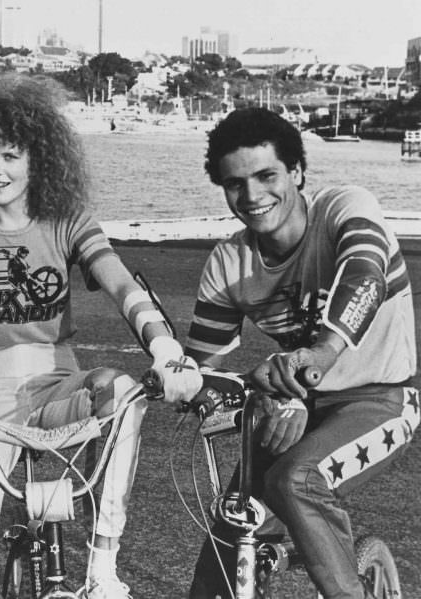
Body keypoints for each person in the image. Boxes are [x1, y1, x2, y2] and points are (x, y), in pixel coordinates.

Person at [0, 72, 203, 599]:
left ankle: (103, 568)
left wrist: (167, 353)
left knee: (124, 393)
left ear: (38, 157)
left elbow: (122, 284)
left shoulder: (68, 220)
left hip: (60, 384)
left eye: (10, 155)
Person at [184, 107, 418, 599]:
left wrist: (319, 355)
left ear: (297, 172)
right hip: (297, 403)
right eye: (234, 184)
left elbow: (365, 278)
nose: (251, 196)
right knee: (230, 539)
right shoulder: (229, 262)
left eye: (266, 175)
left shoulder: (344, 208)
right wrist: (254, 390)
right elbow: (204, 370)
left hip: (384, 399)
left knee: (297, 480)